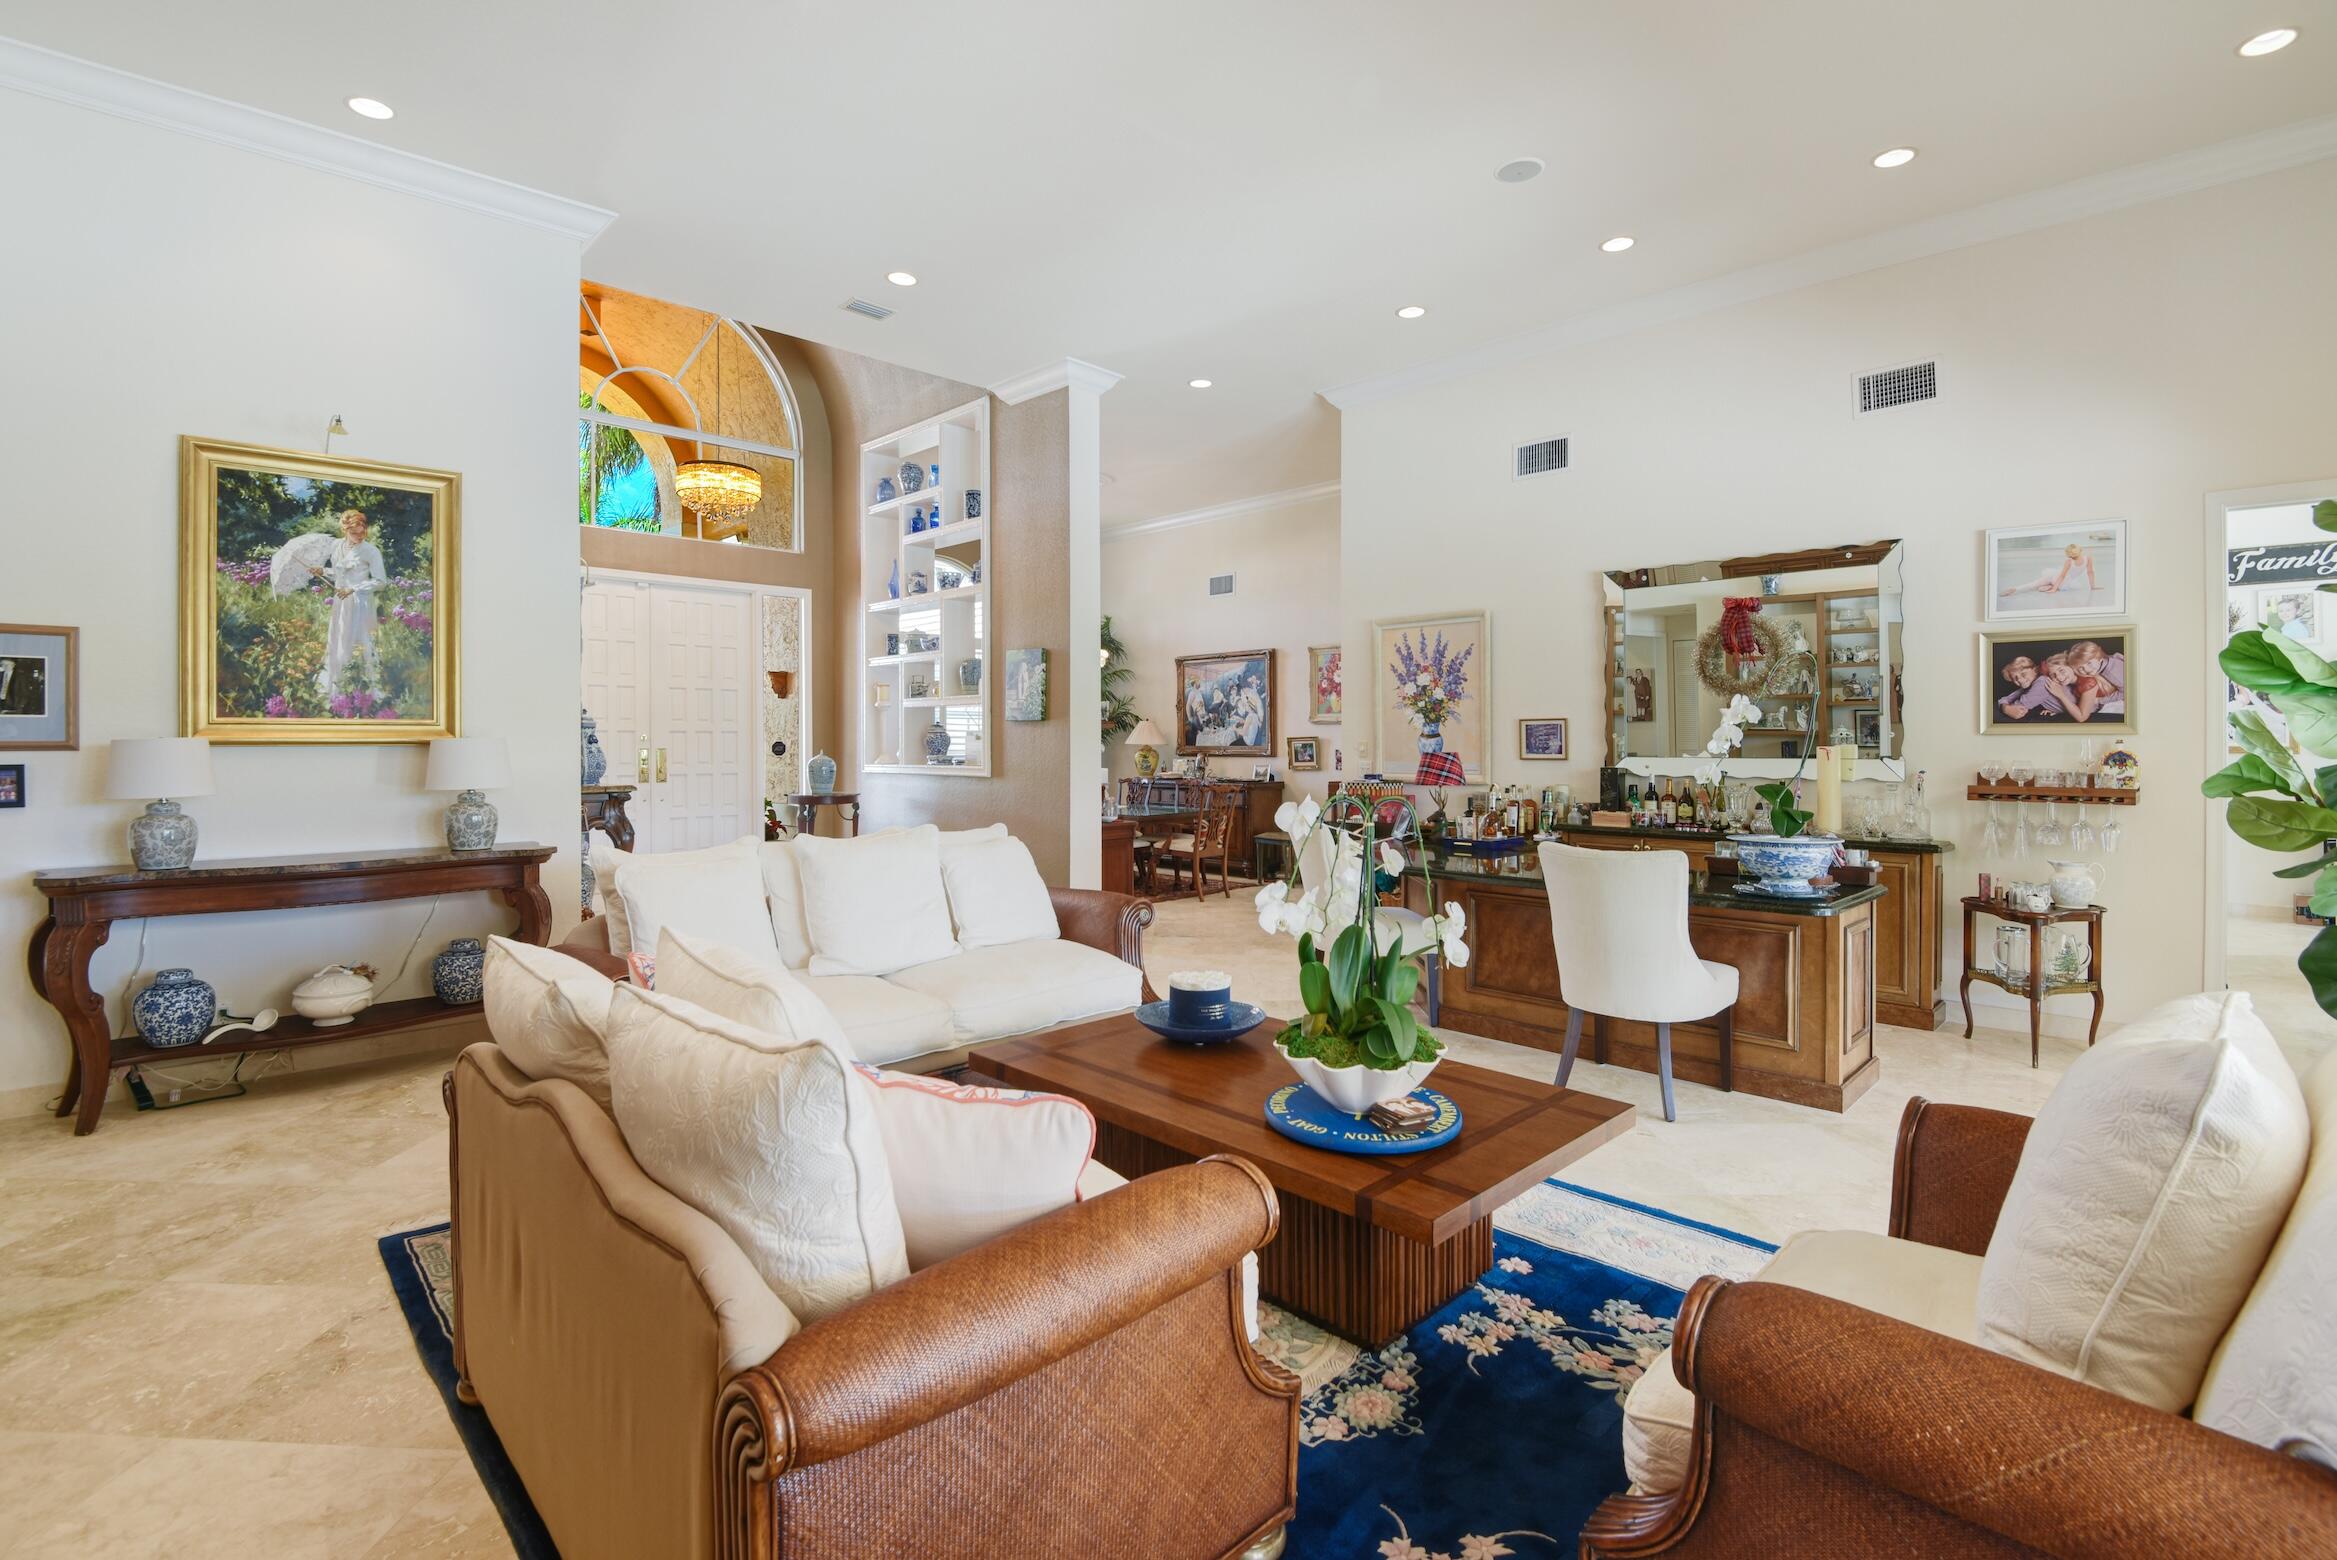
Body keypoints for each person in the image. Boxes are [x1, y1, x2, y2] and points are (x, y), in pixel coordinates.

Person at [312, 509, 387, 696]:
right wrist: (323, 571)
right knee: (339, 639)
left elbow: (381, 582)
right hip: (341, 602)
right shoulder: (337, 547)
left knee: (358, 640)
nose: (360, 536)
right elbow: (340, 572)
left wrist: (354, 589)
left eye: (363, 532)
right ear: (344, 530)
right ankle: (338, 685)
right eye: (354, 533)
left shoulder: (371, 551)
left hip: (359, 603)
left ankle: (363, 689)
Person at [1999, 542, 2097, 604]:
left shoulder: (2086, 559)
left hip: (2059, 579)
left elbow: (2090, 572)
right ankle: (2015, 589)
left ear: (2080, 551)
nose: (2073, 557)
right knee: (2037, 584)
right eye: (2072, 555)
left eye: (2073, 555)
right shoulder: (2076, 560)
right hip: (2060, 580)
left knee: (2035, 583)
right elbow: (2088, 572)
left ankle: (2017, 589)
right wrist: (2055, 589)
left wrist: (2092, 586)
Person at [1996, 654, 2067, 721]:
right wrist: (2005, 708)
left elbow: (2020, 707)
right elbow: (2004, 699)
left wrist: (2005, 708)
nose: (2020, 680)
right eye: (2015, 678)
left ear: (2035, 670)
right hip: (2065, 711)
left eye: (2023, 674)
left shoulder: (2042, 682)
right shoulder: (2028, 686)